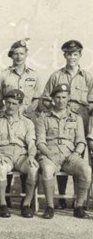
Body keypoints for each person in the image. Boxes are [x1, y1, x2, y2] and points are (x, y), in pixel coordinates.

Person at [41, 40, 93, 209]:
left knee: (79, 158)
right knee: (59, 152)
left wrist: (82, 111)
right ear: (64, 55)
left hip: (82, 119)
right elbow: (45, 99)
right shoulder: (56, 76)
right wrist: (58, 108)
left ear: (80, 56)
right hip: (59, 116)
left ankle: (81, 200)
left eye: (75, 54)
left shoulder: (88, 77)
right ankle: (62, 197)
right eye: (69, 54)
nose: (72, 57)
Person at [36, 84, 91, 219]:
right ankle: (50, 206)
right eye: (58, 97)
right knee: (48, 170)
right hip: (50, 154)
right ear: (53, 99)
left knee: (86, 170)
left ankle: (79, 206)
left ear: (68, 98)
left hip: (69, 156)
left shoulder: (76, 118)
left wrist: (76, 153)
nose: (61, 100)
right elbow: (40, 142)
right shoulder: (43, 117)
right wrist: (49, 154)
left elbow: (81, 141)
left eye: (64, 97)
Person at [0, 89, 38, 218]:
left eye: (14, 103)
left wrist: (31, 156)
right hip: (4, 153)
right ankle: (2, 204)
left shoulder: (27, 123)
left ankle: (26, 204)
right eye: (8, 102)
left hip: (22, 155)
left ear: (20, 105)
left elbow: (32, 144)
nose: (10, 106)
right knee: (1, 166)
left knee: (33, 168)